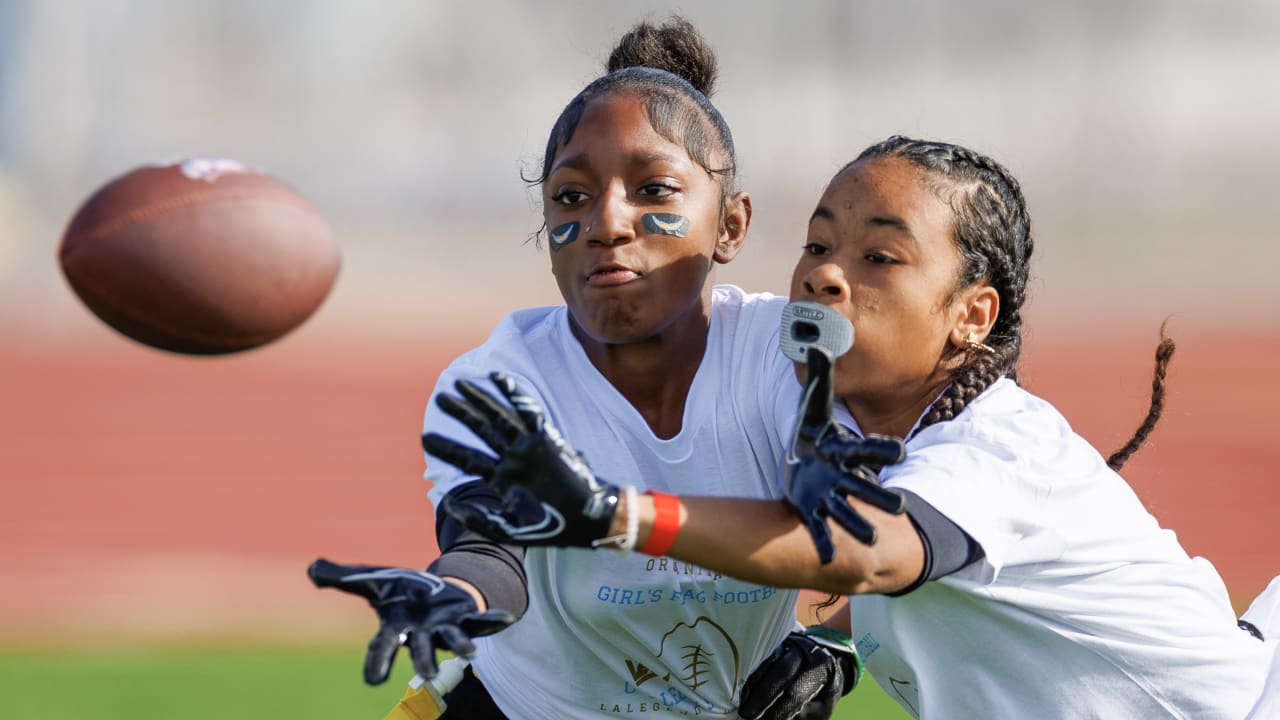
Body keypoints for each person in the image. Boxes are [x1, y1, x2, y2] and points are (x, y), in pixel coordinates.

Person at [426, 136, 1279, 719]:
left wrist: (623, 514)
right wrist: (835, 647)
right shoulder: (850, 434)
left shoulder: (996, 446)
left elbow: (870, 552)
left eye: (880, 257)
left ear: (971, 315)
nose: (828, 276)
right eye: (818, 246)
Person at [310, 18, 862, 720]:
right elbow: (491, 550)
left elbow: (903, 525)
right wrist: (455, 595)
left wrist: (841, 645)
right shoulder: (504, 379)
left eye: (654, 190)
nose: (606, 222)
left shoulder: (790, 358)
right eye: (571, 196)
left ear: (731, 225)